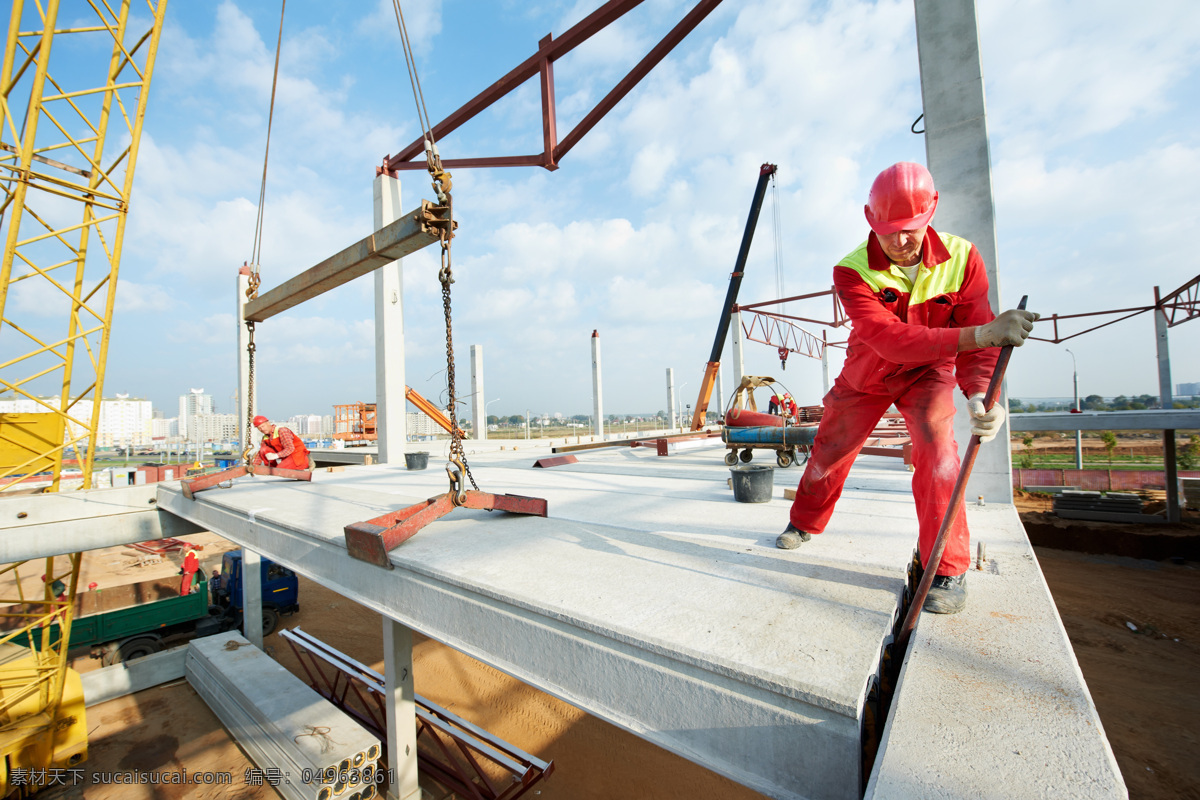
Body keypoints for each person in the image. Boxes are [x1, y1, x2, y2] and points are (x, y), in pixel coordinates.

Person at [777, 162, 1039, 614]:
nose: (901, 242)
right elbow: (890, 340)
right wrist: (981, 335)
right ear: (869, 220)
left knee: (940, 456)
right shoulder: (851, 270)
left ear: (931, 212)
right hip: (868, 374)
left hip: (929, 373)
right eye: (890, 231)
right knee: (829, 449)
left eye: (912, 230)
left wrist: (980, 395)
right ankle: (804, 522)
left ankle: (947, 567)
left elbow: (979, 341)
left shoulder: (963, 259)